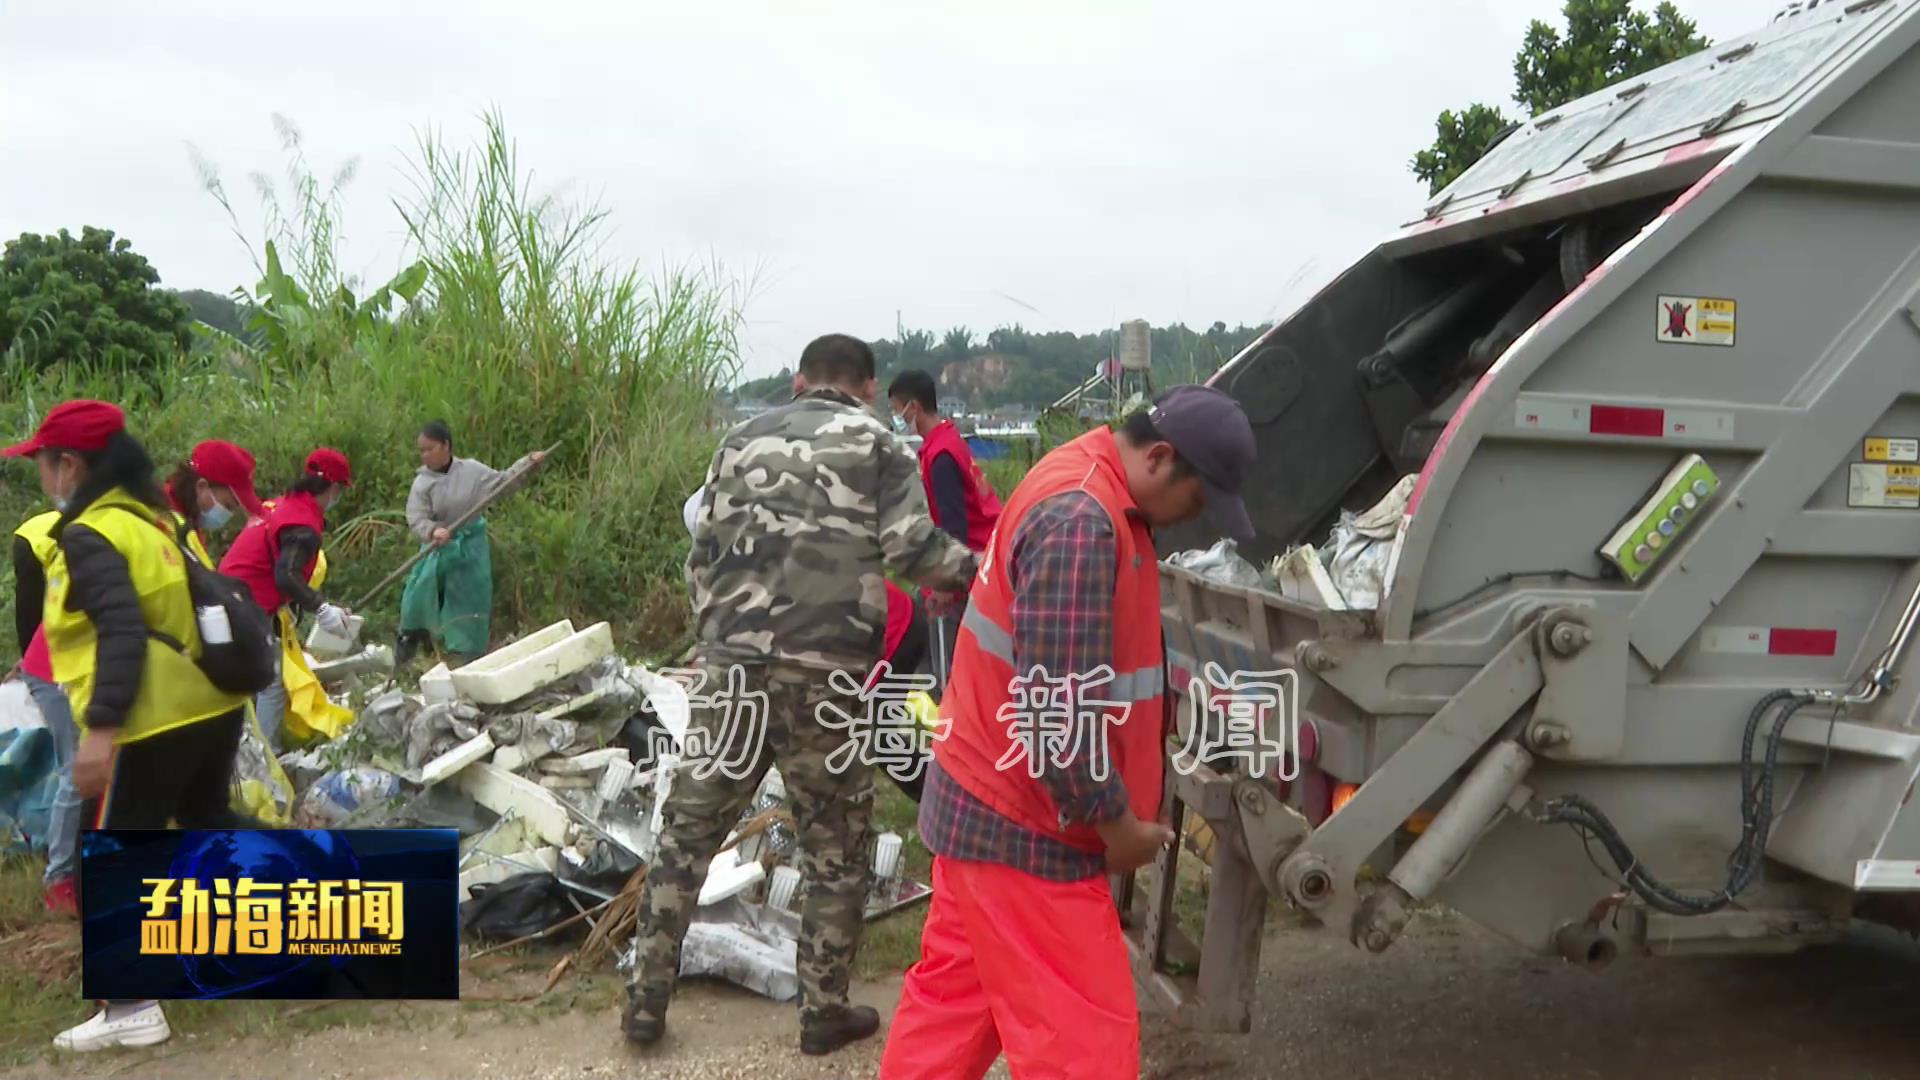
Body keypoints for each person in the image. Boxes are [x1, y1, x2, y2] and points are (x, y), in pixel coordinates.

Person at [878, 385, 1257, 1080]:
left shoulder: (1084, 476)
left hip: (979, 805)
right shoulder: (1082, 522)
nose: (1193, 521)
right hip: (1028, 831)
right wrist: (1119, 827)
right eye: (1198, 500)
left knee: (950, 1013)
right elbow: (1057, 717)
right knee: (1083, 1049)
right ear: (1162, 457)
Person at [626, 333, 976, 1056]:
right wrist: (982, 570)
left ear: (797, 381)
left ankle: (645, 1001)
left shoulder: (736, 441)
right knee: (834, 846)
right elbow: (914, 550)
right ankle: (822, 1012)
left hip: (732, 672)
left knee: (688, 835)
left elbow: (701, 554)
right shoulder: (879, 442)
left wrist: (721, 641)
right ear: (870, 388)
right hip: (827, 677)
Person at [3, 400, 253, 1052]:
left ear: (70, 465)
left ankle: (131, 1008)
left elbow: (117, 631)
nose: (41, 478)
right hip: (210, 706)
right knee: (210, 827)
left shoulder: (91, 534)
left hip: (152, 718)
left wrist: (100, 733)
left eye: (42, 464)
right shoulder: (153, 521)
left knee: (106, 856)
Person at [217, 448, 355, 749]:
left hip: (229, 594)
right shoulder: (303, 525)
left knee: (248, 677)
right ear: (334, 488)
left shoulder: (283, 504)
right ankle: (266, 756)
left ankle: (244, 747)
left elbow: (276, 567)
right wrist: (321, 609)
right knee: (270, 683)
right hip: (242, 603)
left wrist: (307, 605)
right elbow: (286, 575)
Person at [397, 422, 546, 666]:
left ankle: (468, 656)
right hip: (438, 546)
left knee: (469, 597)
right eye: (421, 451)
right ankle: (409, 647)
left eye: (429, 449)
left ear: (446, 446)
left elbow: (504, 483)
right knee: (418, 594)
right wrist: (433, 530)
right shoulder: (422, 483)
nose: (424, 456)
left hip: (470, 547)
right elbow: (416, 517)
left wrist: (528, 463)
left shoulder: (472, 471)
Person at [888, 370, 1002, 683]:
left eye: (896, 410)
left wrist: (944, 584)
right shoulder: (947, 441)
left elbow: (955, 524)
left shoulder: (941, 456)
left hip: (972, 562)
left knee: (947, 655)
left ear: (913, 407)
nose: (897, 417)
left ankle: (946, 705)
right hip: (980, 557)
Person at [12, 508, 79, 916]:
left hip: (80, 665)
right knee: (77, 764)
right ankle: (60, 878)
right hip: (55, 665)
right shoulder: (84, 545)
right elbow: (32, 615)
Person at [162, 439, 266, 560]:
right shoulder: (163, 524)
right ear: (202, 487)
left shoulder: (189, 524)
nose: (229, 515)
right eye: (228, 506)